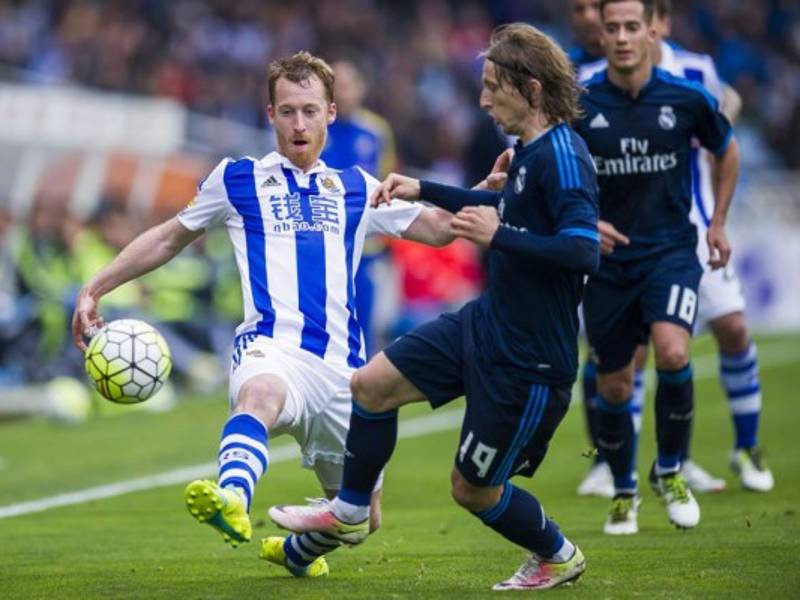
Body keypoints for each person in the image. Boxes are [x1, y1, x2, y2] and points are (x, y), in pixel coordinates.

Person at [71, 51, 454, 578]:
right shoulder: (237, 178)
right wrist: (96, 286)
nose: (299, 124)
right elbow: (168, 237)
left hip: (345, 371)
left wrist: (492, 194)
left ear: (331, 114)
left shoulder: (358, 188)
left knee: (363, 522)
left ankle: (294, 555)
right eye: (289, 111)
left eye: (311, 111)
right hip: (270, 345)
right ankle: (231, 497)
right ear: (269, 114)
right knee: (261, 394)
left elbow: (438, 228)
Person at [268, 23, 599, 591]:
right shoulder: (526, 150)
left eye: (494, 85)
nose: (484, 98)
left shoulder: (564, 158)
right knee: (371, 384)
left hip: (530, 362)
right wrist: (423, 188)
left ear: (533, 89)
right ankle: (349, 511)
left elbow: (582, 250)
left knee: (472, 489)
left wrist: (501, 238)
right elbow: (495, 208)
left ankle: (559, 554)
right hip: (485, 325)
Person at [576, 0, 773, 497]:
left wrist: (718, 220)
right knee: (631, 359)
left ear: (657, 25)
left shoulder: (694, 73)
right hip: (622, 245)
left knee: (727, 327)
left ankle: (738, 448)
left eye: (636, 24)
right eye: (612, 25)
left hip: (688, 229)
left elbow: (722, 127)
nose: (624, 35)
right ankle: (626, 469)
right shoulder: (589, 85)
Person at [321, 59, 398, 357]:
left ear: (360, 88)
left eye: (347, 85)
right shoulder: (316, 129)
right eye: (335, 86)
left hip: (365, 248)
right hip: (325, 245)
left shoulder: (376, 131)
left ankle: (361, 390)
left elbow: (385, 181)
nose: (342, 92)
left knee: (364, 325)